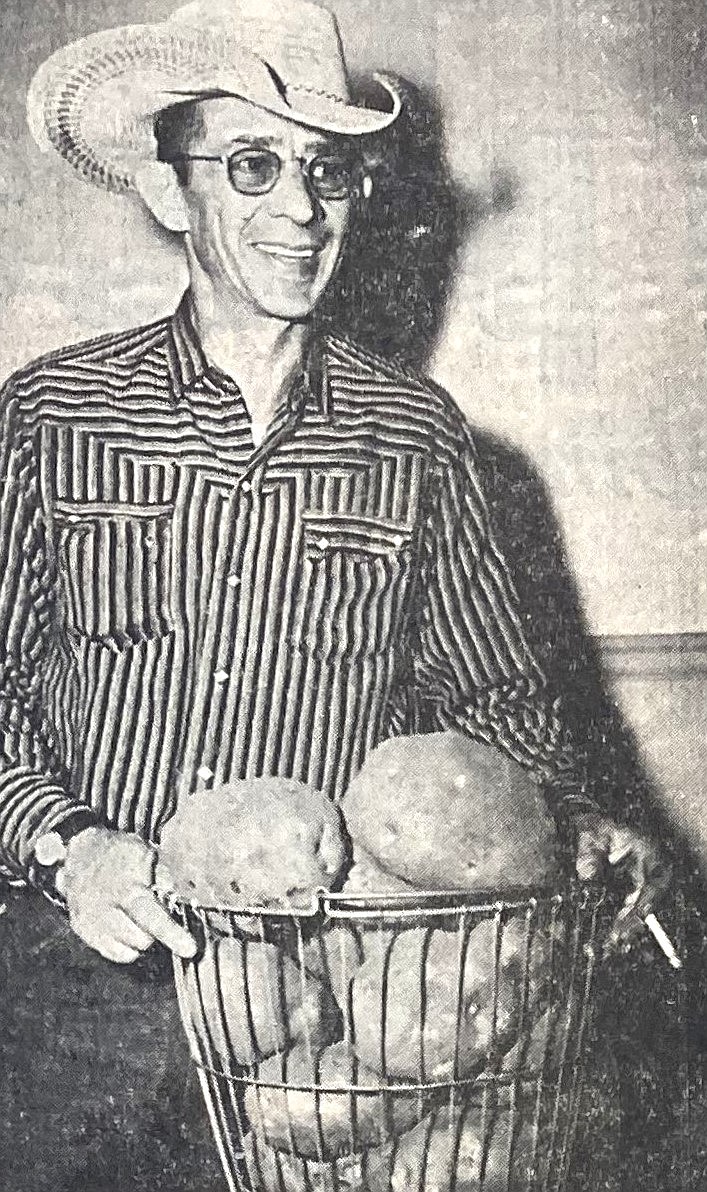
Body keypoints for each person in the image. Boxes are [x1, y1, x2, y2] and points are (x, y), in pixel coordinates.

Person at [0, 0, 668, 1183]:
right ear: (169, 193)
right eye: (250, 166)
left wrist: (575, 819)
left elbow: (498, 703)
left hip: (320, 1014)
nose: (300, 210)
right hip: (72, 982)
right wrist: (66, 844)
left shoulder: (417, 439)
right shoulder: (51, 415)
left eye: (328, 171)